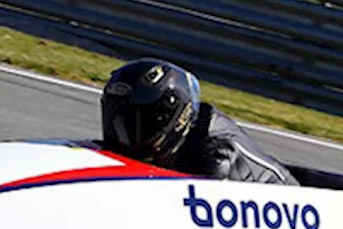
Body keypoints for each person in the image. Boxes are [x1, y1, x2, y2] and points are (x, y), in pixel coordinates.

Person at [100, 58, 298, 185]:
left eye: (137, 122)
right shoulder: (177, 140)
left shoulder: (215, 156)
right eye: (117, 119)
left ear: (176, 117)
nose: (123, 132)